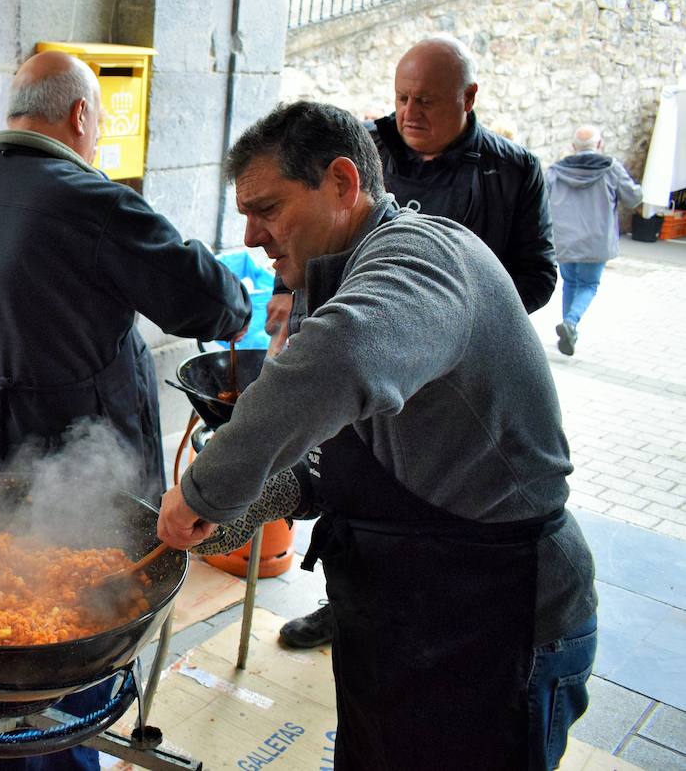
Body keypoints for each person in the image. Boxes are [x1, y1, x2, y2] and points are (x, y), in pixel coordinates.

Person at [159, 100, 597, 771]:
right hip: (403, 615)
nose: (251, 235)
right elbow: (349, 444)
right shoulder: (339, 273)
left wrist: (205, 492)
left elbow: (341, 359)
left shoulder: (421, 259)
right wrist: (274, 492)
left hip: (495, 616)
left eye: (268, 208)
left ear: (342, 182)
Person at [0, 51, 251, 771]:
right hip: (82, 469)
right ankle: (62, 753)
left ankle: (15, 749)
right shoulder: (96, 203)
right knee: (80, 629)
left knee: (2, 619)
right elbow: (216, 304)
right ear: (82, 116)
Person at [278, 34, 558, 649]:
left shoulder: (511, 171)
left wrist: (461, 308)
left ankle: (431, 617)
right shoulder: (364, 145)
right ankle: (342, 601)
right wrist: (288, 288)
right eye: (402, 97)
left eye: (426, 101)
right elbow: (307, 220)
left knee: (436, 502)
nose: (410, 113)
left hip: (451, 386)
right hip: (358, 355)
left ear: (469, 98)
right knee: (351, 477)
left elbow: (539, 273)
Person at [547, 125, 643, 356]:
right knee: (589, 285)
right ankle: (570, 323)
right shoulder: (610, 168)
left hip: (565, 239)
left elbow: (541, 200)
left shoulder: (555, 170)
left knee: (570, 282)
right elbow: (633, 198)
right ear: (599, 145)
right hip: (595, 241)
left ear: (573, 147)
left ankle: (570, 329)